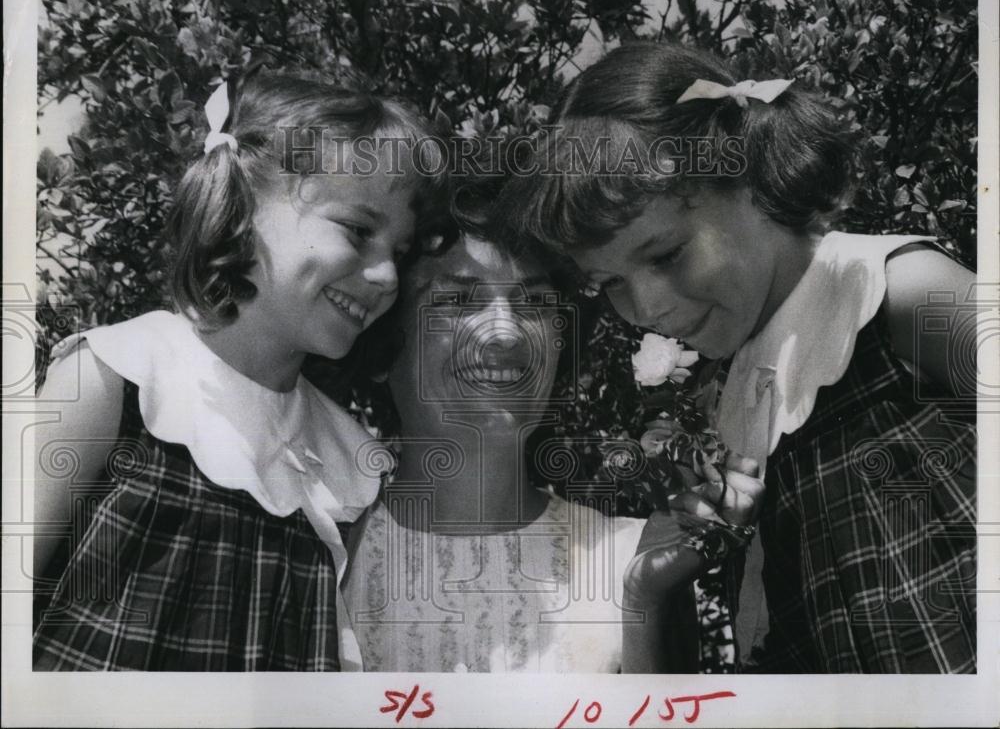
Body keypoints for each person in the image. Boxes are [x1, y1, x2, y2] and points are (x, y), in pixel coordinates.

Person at [509, 41, 977, 673]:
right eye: (610, 282)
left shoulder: (893, 289)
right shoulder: (735, 399)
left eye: (666, 253)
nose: (645, 307)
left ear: (747, 178)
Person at [32, 72, 442, 671]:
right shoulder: (117, 378)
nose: (386, 277)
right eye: (358, 231)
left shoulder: (351, 462)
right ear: (247, 207)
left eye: (399, 253)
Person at [340, 169, 763, 673]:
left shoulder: (630, 559)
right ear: (384, 341)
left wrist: (641, 601)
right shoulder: (329, 554)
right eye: (458, 300)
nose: (505, 334)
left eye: (533, 302)